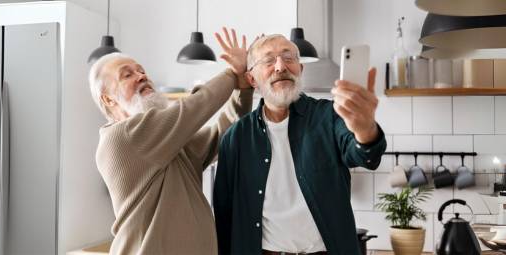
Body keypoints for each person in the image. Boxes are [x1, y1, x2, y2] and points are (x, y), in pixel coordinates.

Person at [213, 34, 386, 255]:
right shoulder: (235, 138)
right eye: (268, 60)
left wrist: (364, 128)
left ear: (300, 69)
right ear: (252, 79)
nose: (280, 66)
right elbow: (224, 213)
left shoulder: (330, 115)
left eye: (289, 58)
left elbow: (366, 156)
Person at [90, 28, 252, 254]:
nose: (141, 76)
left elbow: (225, 133)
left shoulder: (168, 143)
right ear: (107, 99)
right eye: (127, 75)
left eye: (142, 71)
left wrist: (242, 91)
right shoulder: (121, 137)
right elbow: (191, 109)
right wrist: (233, 74)